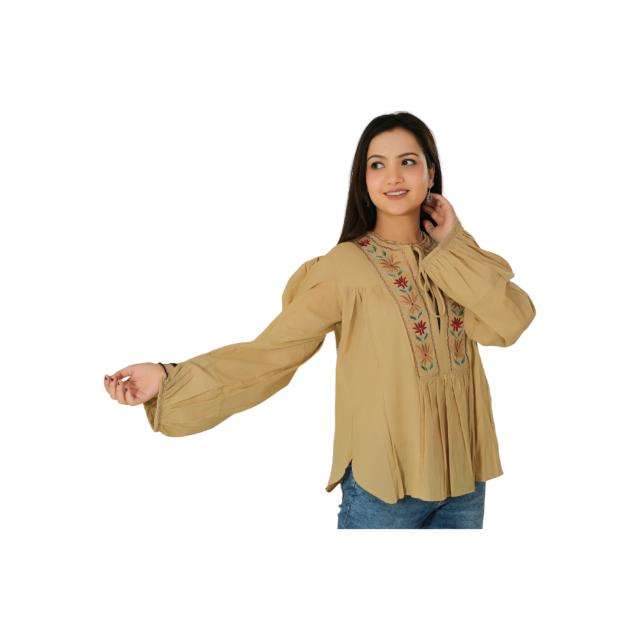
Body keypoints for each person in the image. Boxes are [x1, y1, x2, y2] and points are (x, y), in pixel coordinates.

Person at [103, 111, 536, 529]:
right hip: (385, 492)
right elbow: (271, 354)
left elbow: (509, 321)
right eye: (377, 165)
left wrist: (454, 241)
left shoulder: (454, 259)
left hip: (464, 483)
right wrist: (169, 376)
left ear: (431, 172)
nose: (393, 176)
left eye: (408, 162)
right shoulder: (344, 268)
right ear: (363, 180)